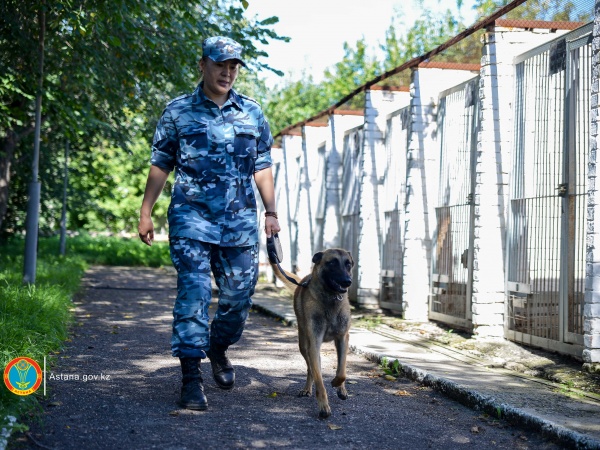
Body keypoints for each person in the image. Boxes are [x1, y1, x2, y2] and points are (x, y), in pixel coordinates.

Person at [138, 36, 280, 410]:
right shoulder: (178, 112)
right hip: (191, 218)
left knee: (237, 299)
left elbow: (262, 166)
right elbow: (161, 162)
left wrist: (271, 213)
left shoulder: (252, 113)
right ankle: (190, 379)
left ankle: (217, 347)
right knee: (195, 292)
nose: (227, 72)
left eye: (234, 66)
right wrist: (145, 210)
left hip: (239, 223)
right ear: (202, 65)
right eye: (221, 65)